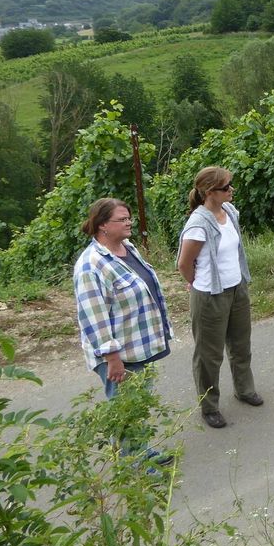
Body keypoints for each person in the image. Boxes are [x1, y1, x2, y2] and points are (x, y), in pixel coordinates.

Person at [74, 198, 173, 465]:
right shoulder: (90, 265)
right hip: (118, 356)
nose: (129, 222)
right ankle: (135, 465)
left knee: (137, 405)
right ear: (102, 225)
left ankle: (142, 450)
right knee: (125, 410)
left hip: (138, 346)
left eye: (129, 217)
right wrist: (112, 358)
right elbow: (93, 317)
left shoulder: (126, 248)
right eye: (122, 219)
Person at [177, 167, 260, 429]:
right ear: (209, 192)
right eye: (226, 187)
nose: (231, 190)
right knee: (209, 355)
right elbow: (183, 264)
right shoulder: (198, 224)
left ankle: (244, 389)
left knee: (240, 345)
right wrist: (195, 283)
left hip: (237, 289)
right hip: (210, 296)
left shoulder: (230, 213)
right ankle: (209, 406)